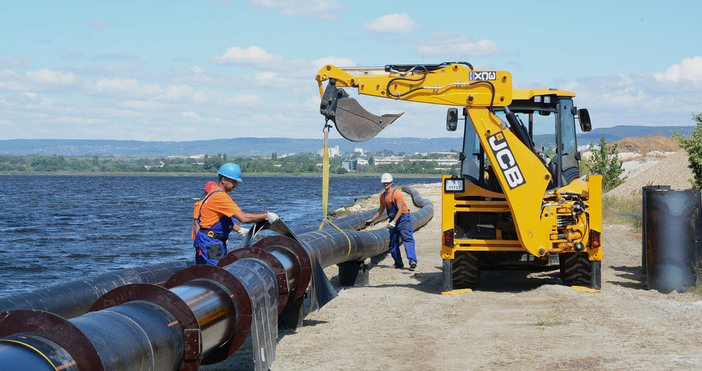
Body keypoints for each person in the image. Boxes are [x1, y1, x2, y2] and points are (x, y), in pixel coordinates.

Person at [194, 163, 279, 265]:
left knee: (208, 270)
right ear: (224, 180)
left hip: (208, 240)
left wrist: (240, 230)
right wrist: (266, 216)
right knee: (216, 273)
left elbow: (219, 221)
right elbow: (243, 218)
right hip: (212, 243)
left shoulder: (214, 193)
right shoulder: (220, 197)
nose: (236, 185)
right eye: (234, 181)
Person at [366, 173, 417, 270]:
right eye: (384, 183)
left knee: (407, 239)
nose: (386, 184)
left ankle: (412, 261)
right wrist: (372, 220)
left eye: (387, 183)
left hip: (403, 219)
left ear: (391, 183)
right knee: (393, 243)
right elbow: (381, 210)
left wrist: (393, 222)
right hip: (393, 220)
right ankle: (398, 263)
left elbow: (400, 209)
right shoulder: (383, 197)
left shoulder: (397, 194)